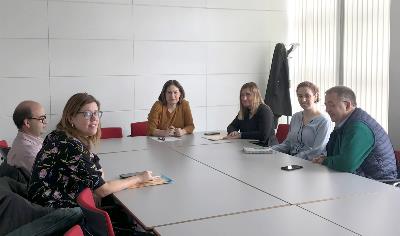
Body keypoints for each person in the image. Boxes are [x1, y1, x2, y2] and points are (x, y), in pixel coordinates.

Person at [28, 93, 154, 208]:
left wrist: (95, 187)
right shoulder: (71, 145)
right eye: (87, 114)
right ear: (71, 118)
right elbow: (103, 189)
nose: (94, 118)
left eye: (96, 113)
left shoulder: (58, 134)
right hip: (53, 211)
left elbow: (94, 165)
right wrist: (138, 178)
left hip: (42, 202)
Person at [312, 86, 397, 180]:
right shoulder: (344, 123)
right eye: (326, 105)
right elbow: (334, 153)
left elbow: (347, 164)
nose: (327, 110)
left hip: (380, 183)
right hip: (360, 179)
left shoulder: (358, 127)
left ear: (347, 105)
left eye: (331, 105)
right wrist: (326, 159)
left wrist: (325, 161)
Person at [271, 82, 333, 160]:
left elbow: (317, 151)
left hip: (311, 164)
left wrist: (292, 158)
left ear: (315, 96)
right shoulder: (295, 117)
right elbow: (288, 144)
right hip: (292, 159)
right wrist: (269, 150)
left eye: (307, 96)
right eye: (300, 96)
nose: (303, 100)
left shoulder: (324, 121)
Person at [7, 101, 47, 174]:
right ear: (27, 123)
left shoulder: (27, 141)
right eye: (42, 118)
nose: (45, 122)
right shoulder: (30, 153)